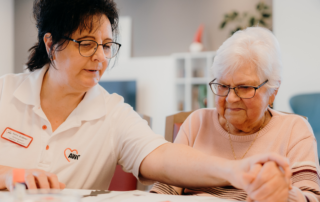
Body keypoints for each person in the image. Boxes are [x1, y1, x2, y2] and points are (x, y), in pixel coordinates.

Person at [0, 0, 290, 197]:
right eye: (87, 44)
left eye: (106, 45)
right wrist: (8, 175)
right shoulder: (5, 92)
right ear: (50, 44)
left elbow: (163, 156)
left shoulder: (112, 113)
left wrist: (235, 170)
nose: (100, 57)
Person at [151, 27, 320, 202]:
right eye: (223, 86)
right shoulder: (197, 123)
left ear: (273, 91)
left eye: (245, 87)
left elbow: (311, 197)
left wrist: (283, 195)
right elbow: (164, 188)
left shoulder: (294, 130)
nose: (231, 98)